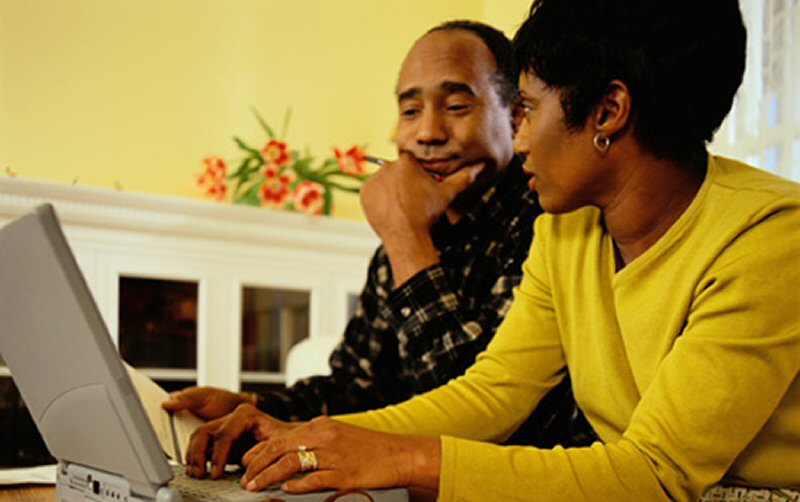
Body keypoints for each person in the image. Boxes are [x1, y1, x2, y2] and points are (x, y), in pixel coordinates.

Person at [214, 0, 800, 500]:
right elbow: (493, 392)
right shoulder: (568, 227)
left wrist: (404, 459)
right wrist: (308, 437)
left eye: (530, 109)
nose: (520, 139)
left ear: (607, 112)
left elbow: (655, 473)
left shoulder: (771, 235)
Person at [165, 20, 596, 479]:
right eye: (410, 111)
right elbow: (358, 386)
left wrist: (407, 240)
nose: (427, 133)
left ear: (515, 116)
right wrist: (256, 407)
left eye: (455, 106)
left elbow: (489, 414)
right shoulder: (410, 226)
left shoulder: (548, 217)